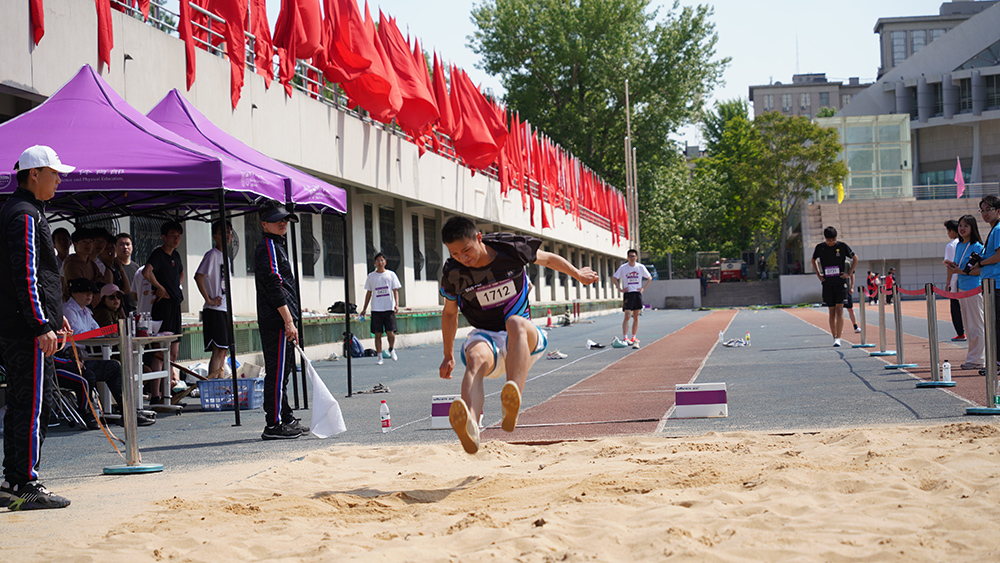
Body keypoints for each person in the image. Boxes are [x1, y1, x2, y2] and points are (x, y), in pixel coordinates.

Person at [438, 216, 599, 454]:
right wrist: (448, 355)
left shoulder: (510, 248)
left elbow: (548, 259)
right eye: (455, 254)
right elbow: (450, 313)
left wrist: (578, 274)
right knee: (474, 357)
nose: (463, 258)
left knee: (514, 322)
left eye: (466, 250)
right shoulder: (454, 273)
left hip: (523, 337)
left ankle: (511, 398)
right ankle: (471, 424)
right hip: (487, 336)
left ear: (479, 238)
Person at [0, 145, 74, 510]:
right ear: (34, 174)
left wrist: (53, 313)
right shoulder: (25, 214)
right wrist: (42, 323)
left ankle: (12, 479)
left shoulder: (20, 209)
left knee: (20, 403)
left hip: (21, 325)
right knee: (32, 405)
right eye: (54, 173)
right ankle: (26, 482)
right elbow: (26, 275)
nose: (59, 180)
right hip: (27, 329)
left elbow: (36, 277)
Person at [58, 278, 154, 428]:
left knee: (114, 367)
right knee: (88, 375)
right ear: (74, 293)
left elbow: (97, 332)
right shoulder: (68, 310)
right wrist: (103, 332)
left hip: (83, 356)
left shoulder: (86, 311)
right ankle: (85, 413)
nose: (89, 296)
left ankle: (127, 412)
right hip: (67, 358)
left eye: (91, 293)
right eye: (85, 292)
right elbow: (78, 334)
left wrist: (105, 333)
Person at [254, 201, 309, 440]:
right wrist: (287, 320)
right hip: (276, 320)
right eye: (277, 220)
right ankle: (273, 423)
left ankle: (285, 416)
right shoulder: (268, 246)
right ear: (264, 224)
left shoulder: (277, 244)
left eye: (285, 219)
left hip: (283, 318)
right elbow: (274, 285)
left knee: (284, 371)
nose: (283, 223)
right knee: (276, 373)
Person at [143, 220, 185, 398]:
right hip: (162, 307)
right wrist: (160, 287)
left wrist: (176, 287)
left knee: (173, 354)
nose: (176, 239)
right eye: (172, 235)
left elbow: (181, 272)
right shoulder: (158, 254)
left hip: (175, 305)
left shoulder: (176, 255)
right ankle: (155, 394)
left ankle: (168, 392)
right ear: (164, 237)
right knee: (160, 352)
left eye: (178, 236)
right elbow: (147, 272)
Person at [945, 214, 985, 370]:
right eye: (960, 225)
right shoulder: (959, 245)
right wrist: (953, 267)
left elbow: (980, 270)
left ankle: (979, 359)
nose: (962, 228)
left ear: (972, 228)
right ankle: (974, 357)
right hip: (962, 288)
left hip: (973, 289)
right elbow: (960, 266)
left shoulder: (977, 247)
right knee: (968, 326)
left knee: (976, 325)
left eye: (965, 226)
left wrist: (959, 271)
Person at [194, 220, 232, 379]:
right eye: (223, 232)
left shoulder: (226, 257)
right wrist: (209, 299)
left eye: (229, 232)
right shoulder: (212, 255)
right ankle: (213, 386)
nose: (227, 235)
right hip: (214, 310)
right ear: (215, 236)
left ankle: (221, 385)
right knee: (218, 350)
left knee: (223, 351)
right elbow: (198, 276)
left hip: (224, 309)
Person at [812, 226, 859, 347]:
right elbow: (813, 259)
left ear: (836, 238)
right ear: (825, 238)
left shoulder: (842, 246)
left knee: (839, 309)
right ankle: (834, 336)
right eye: (828, 240)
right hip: (827, 283)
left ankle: (839, 337)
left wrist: (849, 273)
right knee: (831, 311)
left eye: (833, 240)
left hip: (840, 283)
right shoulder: (820, 247)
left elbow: (855, 259)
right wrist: (818, 274)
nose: (831, 242)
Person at [972, 195, 1000, 376]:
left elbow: (998, 256)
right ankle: (995, 361)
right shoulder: (994, 230)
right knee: (994, 323)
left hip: (996, 283)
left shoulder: (998, 229)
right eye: (982, 210)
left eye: (988, 209)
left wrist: (981, 263)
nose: (985, 213)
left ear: (998, 211)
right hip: (991, 282)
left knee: (996, 323)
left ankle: (997, 362)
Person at [359, 252, 402, 365]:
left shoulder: (391, 275)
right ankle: (379, 357)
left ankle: (391, 349)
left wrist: (397, 304)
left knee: (390, 332)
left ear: (385, 262)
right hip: (376, 309)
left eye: (382, 260)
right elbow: (369, 293)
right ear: (375, 263)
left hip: (388, 308)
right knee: (377, 334)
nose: (380, 262)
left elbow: (395, 291)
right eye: (378, 260)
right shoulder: (371, 276)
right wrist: (364, 308)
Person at [611, 249, 652, 349]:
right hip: (628, 293)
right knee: (627, 314)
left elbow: (649, 277)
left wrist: (643, 288)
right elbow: (614, 278)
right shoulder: (623, 267)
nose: (632, 258)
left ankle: (634, 336)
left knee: (636, 315)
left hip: (637, 293)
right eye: (630, 256)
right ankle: (625, 337)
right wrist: (620, 289)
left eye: (633, 256)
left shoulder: (640, 267)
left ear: (636, 257)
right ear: (627, 257)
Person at [61, 227, 111, 297]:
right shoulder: (71, 263)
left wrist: (93, 283)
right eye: (84, 242)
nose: (88, 245)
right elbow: (80, 287)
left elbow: (103, 281)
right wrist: (94, 283)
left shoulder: (92, 263)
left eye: (90, 241)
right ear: (75, 244)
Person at [943, 220, 967, 342]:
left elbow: (949, 265)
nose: (947, 233)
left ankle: (960, 333)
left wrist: (948, 282)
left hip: (956, 280)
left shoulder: (951, 245)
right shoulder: (966, 243)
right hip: (968, 279)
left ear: (952, 230)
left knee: (955, 308)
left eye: (948, 231)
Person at [98, 231, 130, 308]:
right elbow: (110, 293)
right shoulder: (102, 268)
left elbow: (127, 290)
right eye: (107, 248)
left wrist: (121, 270)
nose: (110, 251)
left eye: (112, 247)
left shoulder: (116, 266)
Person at [115, 233, 139, 313]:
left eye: (128, 244)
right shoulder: (113, 266)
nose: (125, 247)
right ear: (115, 247)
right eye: (121, 244)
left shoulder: (136, 267)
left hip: (135, 310)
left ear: (132, 247)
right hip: (120, 310)